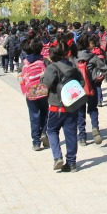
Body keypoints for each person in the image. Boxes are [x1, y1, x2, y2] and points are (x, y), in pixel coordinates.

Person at [41, 41, 83, 172]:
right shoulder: (73, 67)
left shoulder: (52, 68)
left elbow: (46, 83)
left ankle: (57, 157)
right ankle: (71, 163)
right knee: (71, 134)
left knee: (52, 130)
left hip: (56, 105)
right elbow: (81, 82)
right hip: (72, 105)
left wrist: (42, 78)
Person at [19, 39, 49, 151]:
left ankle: (36, 142)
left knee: (34, 116)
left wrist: (25, 91)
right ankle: (43, 132)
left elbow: (20, 78)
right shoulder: (44, 61)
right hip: (43, 91)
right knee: (46, 113)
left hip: (30, 93)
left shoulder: (24, 62)